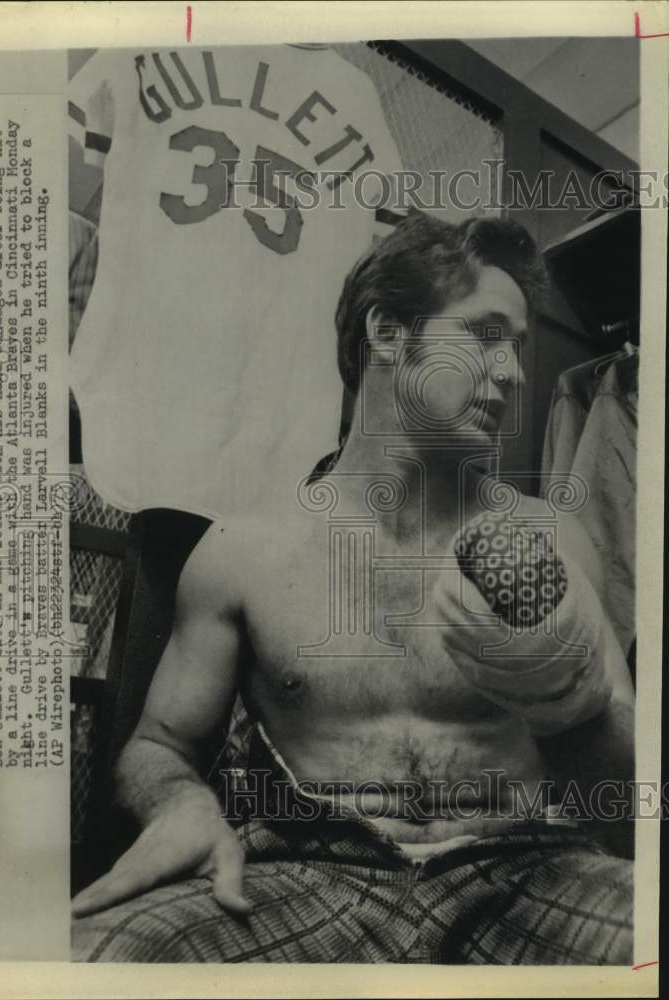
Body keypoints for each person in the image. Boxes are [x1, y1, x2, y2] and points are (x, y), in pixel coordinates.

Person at [72, 212, 635, 964]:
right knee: (95, 956)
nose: (513, 373)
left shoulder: (553, 539)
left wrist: (573, 696)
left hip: (526, 870)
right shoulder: (244, 551)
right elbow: (160, 742)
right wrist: (178, 803)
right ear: (388, 333)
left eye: (520, 347)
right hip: (308, 876)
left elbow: (625, 782)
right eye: (484, 334)